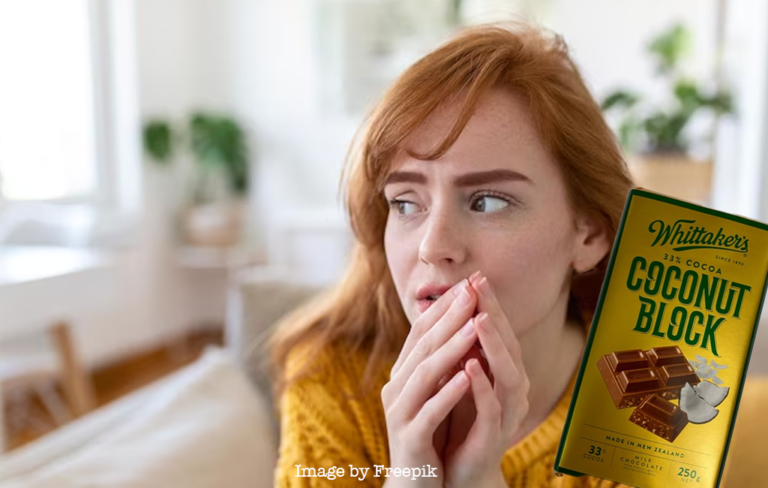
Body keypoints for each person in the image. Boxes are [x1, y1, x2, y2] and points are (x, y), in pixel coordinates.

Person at [269, 22, 635, 488]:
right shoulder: (332, 381)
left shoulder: (651, 398)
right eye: (405, 203)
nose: (432, 245)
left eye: (487, 201)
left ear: (589, 236)